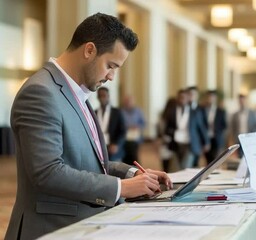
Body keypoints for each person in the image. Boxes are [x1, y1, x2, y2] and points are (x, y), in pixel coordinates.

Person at [5, 13, 172, 240]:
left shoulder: (77, 92)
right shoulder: (41, 92)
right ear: (89, 50)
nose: (112, 76)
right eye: (110, 66)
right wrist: (122, 188)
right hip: (50, 229)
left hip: (80, 227)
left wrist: (134, 175)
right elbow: (47, 172)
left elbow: (87, 162)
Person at [164, 89, 209, 170]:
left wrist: (206, 142)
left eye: (184, 98)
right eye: (180, 97)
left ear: (188, 99)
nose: (182, 100)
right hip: (176, 144)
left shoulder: (195, 112)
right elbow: (168, 127)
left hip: (190, 144)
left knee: (186, 166)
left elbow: (201, 128)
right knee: (177, 167)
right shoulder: (172, 111)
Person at [96, 87, 126, 161]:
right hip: (99, 145)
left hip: (113, 145)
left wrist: (116, 144)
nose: (102, 98)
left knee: (115, 168)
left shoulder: (116, 112)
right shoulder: (94, 112)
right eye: (100, 96)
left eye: (104, 96)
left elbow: (122, 131)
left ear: (108, 96)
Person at [230, 93, 256, 158]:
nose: (242, 103)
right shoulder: (235, 115)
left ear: (246, 101)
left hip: (250, 140)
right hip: (239, 140)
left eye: (243, 101)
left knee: (251, 157)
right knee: (240, 158)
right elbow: (233, 128)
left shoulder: (254, 113)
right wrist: (234, 139)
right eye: (240, 101)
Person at [202, 90, 227, 165]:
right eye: (209, 97)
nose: (210, 99)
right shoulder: (202, 110)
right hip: (206, 139)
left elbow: (224, 125)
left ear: (215, 98)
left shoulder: (221, 111)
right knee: (207, 160)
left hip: (216, 138)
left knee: (215, 160)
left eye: (212, 97)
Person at [121, 94, 146, 166]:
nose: (128, 103)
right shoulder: (121, 111)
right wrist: (127, 127)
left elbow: (144, 123)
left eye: (129, 101)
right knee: (126, 156)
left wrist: (137, 126)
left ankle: (136, 169)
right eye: (126, 101)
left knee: (134, 155)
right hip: (125, 137)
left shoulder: (138, 111)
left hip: (136, 138)